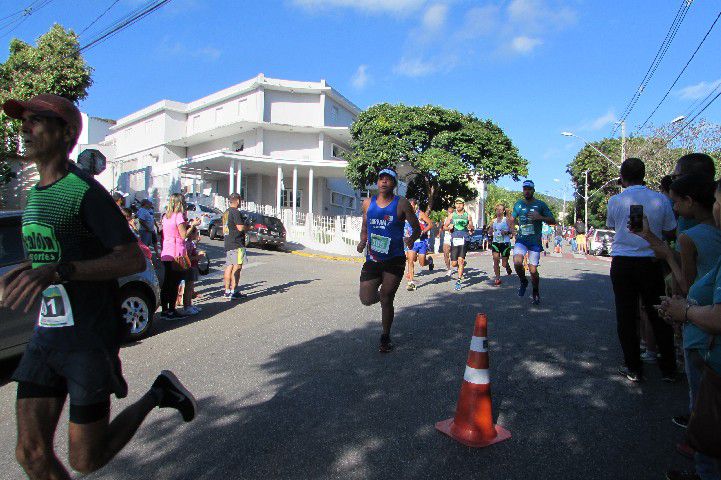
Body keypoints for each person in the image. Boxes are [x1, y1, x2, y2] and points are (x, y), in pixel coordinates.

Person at [0, 94, 196, 479]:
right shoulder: (37, 195)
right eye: (23, 120)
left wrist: (60, 271)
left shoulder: (84, 192)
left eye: (35, 119)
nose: (24, 127)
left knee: (85, 460)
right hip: (45, 340)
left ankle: (159, 393)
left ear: (66, 132)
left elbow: (131, 259)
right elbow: (54, 255)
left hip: (87, 341)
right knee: (31, 453)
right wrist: (27, 269)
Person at [645, 179, 721, 480]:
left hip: (705, 342)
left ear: (691, 201)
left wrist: (683, 310)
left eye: (719, 202)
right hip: (704, 337)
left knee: (703, 410)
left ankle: (701, 465)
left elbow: (688, 286)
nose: (673, 207)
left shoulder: (692, 238)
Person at [606, 157, 678, 383]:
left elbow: (611, 225)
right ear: (644, 174)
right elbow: (670, 230)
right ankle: (668, 368)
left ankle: (633, 367)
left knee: (626, 316)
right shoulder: (660, 199)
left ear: (622, 176)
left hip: (623, 263)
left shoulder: (616, 200)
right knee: (658, 313)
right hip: (651, 262)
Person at [358, 169, 419, 352]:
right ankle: (383, 298)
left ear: (394, 184)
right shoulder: (368, 203)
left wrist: (411, 239)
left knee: (386, 297)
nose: (384, 182)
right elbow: (364, 226)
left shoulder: (402, 204)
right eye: (381, 179)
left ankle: (385, 336)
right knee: (366, 299)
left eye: (388, 179)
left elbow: (416, 228)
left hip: (394, 259)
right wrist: (362, 241)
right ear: (377, 182)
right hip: (373, 259)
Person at [510, 180, 555, 305]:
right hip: (521, 239)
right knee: (517, 261)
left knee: (533, 270)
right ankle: (523, 280)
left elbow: (553, 220)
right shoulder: (518, 204)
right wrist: (513, 232)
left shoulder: (540, 205)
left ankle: (535, 291)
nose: (527, 191)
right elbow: (512, 219)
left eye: (529, 189)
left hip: (534, 242)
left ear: (533, 190)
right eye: (525, 189)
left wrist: (539, 217)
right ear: (523, 190)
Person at [160, 193, 200, 318]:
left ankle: (164, 310)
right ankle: (172, 310)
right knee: (174, 283)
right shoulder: (178, 216)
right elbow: (183, 235)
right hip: (177, 253)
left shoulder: (166, 216)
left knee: (167, 282)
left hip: (166, 251)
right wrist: (193, 225)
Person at [222, 193, 252, 299]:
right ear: (238, 201)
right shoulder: (235, 212)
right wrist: (249, 227)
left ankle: (226, 291)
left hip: (228, 242)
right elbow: (240, 228)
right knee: (237, 266)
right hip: (237, 243)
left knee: (229, 266)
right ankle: (234, 291)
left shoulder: (226, 213)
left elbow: (224, 229)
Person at [444, 198, 474, 291]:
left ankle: (458, 281)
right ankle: (461, 264)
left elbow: (472, 229)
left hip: (464, 239)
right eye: (457, 204)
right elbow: (444, 227)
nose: (458, 205)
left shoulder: (467, 216)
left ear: (463, 204)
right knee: (453, 264)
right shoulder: (452, 215)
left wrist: (470, 229)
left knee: (460, 261)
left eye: (460, 204)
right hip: (454, 240)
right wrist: (449, 227)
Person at [404, 199, 434, 291]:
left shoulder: (420, 214)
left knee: (422, 263)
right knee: (410, 260)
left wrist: (423, 231)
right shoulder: (405, 215)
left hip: (421, 241)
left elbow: (430, 224)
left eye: (412, 206)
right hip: (411, 242)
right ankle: (411, 283)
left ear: (415, 206)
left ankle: (429, 261)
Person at [490, 204, 514, 286]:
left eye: (500, 210)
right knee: (495, 260)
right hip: (496, 243)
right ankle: (497, 278)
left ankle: (506, 265)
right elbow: (490, 231)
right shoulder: (493, 221)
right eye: (497, 210)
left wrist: (507, 232)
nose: (498, 211)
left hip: (505, 243)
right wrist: (489, 231)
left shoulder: (507, 220)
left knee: (503, 263)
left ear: (503, 211)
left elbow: (512, 231)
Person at [441, 206, 454, 276]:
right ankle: (449, 269)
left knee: (455, 256)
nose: (449, 214)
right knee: (446, 254)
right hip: (447, 239)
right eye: (448, 212)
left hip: (455, 239)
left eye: (451, 212)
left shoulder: (455, 219)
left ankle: (460, 266)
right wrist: (448, 228)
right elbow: (443, 227)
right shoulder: (446, 219)